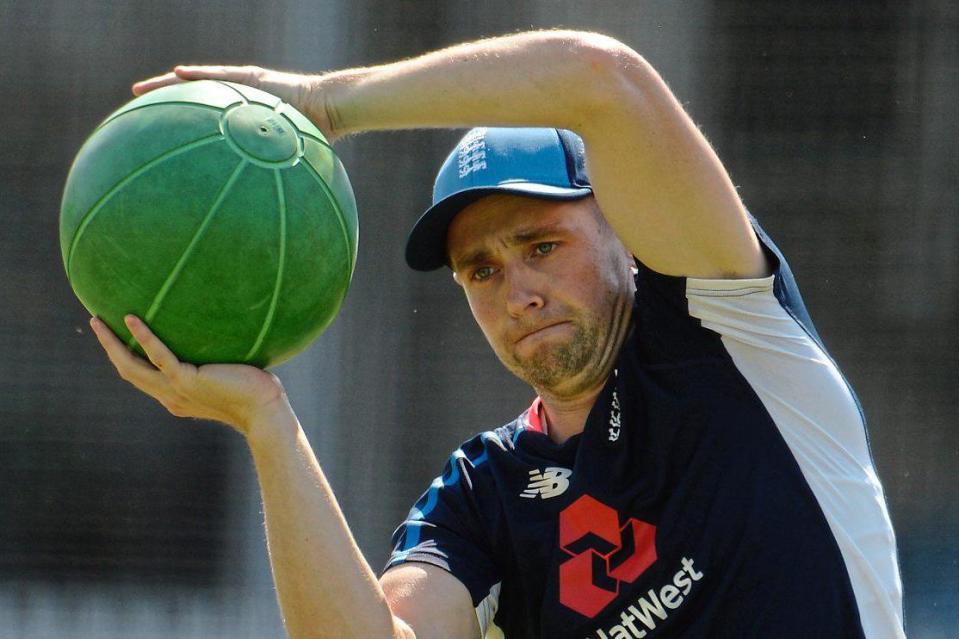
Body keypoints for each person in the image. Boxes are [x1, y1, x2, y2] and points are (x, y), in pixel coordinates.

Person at [90, 30, 905, 638]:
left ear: (619, 224)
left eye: (541, 245)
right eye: (480, 270)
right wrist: (267, 422)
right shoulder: (483, 491)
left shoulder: (727, 329)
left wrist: (329, 103)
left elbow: (601, 79)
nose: (517, 290)